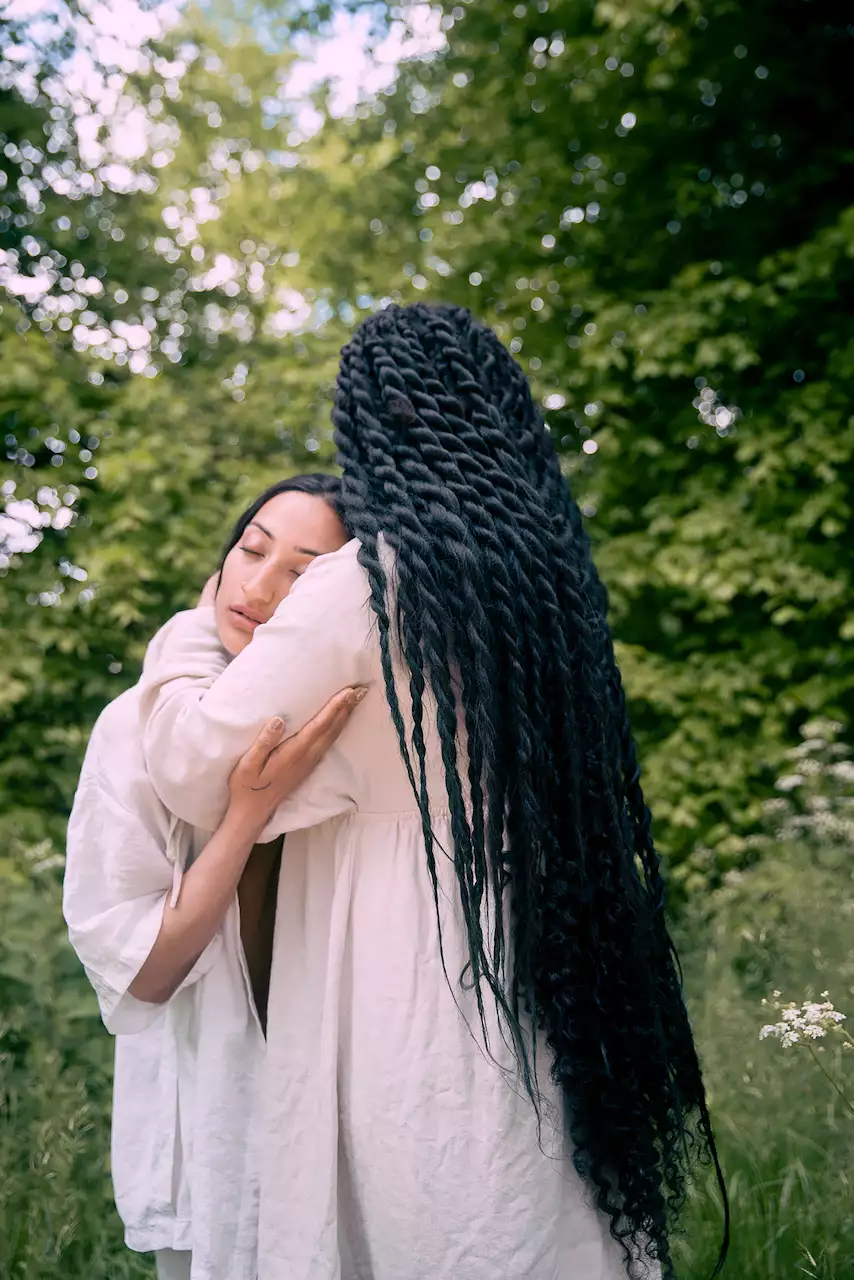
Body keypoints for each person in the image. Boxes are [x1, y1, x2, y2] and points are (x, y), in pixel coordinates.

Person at [137, 305, 729, 1280]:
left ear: (369, 430)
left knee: (433, 1204)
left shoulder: (361, 583)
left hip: (398, 959)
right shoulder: (541, 587)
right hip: (530, 941)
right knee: (529, 1204)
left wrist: (186, 637)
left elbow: (196, 759)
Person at [63, 474, 360, 1280]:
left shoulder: (355, 729)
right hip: (214, 1138)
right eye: (252, 549)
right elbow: (145, 972)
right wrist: (244, 817)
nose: (258, 587)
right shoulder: (136, 729)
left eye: (302, 572)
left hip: (348, 1136)